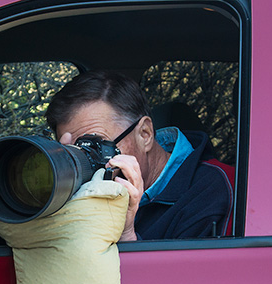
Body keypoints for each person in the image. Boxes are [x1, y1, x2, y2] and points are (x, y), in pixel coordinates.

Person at [45, 70, 233, 241]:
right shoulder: (79, 195)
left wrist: (126, 236)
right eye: (73, 152)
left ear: (145, 134)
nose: (85, 163)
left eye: (95, 146)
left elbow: (192, 278)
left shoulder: (217, 192)